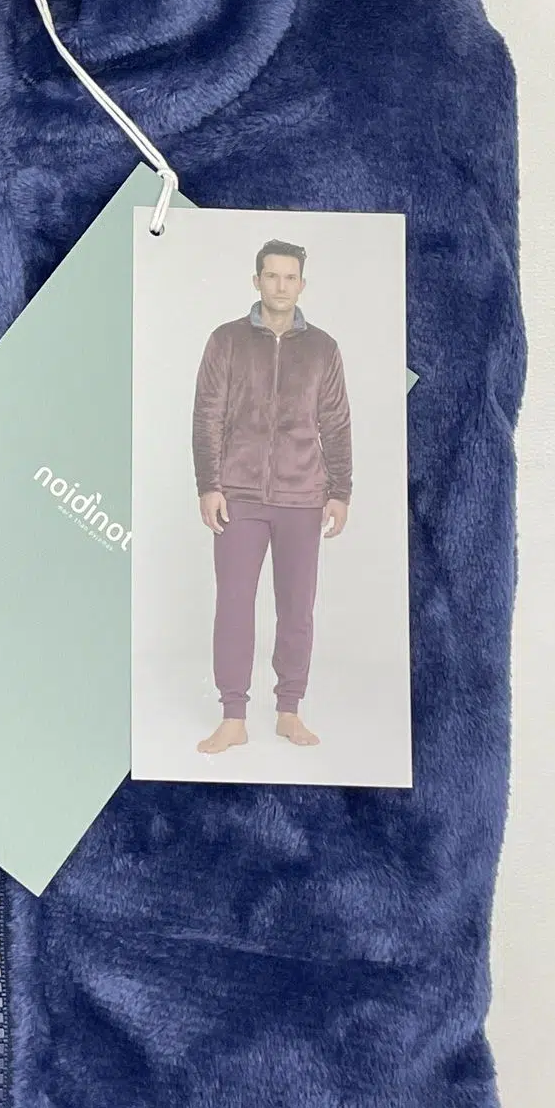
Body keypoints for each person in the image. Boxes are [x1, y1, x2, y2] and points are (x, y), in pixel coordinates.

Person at [191, 239, 351, 752]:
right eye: (271, 275)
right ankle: (232, 717)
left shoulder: (323, 349)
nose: (280, 285)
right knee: (234, 606)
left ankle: (288, 711)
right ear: (256, 280)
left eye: (290, 277)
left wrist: (340, 490)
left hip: (304, 497)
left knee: (297, 610)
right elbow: (207, 417)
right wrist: (209, 485)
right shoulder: (226, 341)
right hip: (238, 497)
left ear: (301, 284)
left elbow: (336, 423)